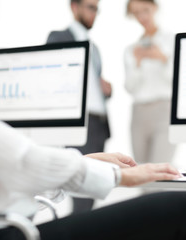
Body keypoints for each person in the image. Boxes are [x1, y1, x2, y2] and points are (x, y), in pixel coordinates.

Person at [0, 0, 186, 239]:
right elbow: (22, 161)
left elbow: (6, 173)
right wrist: (118, 176)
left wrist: (89, 162)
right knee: (183, 208)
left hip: (1, 224)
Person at [46, 0, 111, 214]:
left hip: (99, 123)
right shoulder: (58, 37)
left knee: (92, 191)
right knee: (82, 190)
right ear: (74, 7)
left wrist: (105, 89)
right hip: (80, 122)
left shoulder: (95, 47)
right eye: (90, 7)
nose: (95, 14)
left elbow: (93, 85)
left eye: (97, 9)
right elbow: (54, 77)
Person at [124, 0, 176, 168]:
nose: (142, 17)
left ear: (155, 7)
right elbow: (130, 87)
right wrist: (138, 62)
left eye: (145, 10)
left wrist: (162, 58)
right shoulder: (131, 49)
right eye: (136, 13)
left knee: (159, 171)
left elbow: (176, 81)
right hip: (139, 113)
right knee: (140, 172)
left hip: (164, 110)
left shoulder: (171, 40)